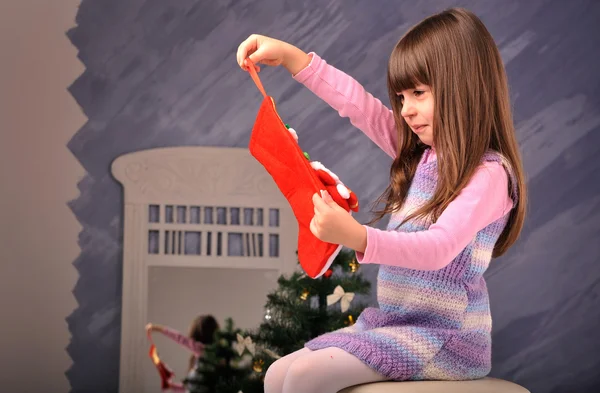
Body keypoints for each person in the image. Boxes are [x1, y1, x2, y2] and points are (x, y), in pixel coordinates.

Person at [236, 7, 527, 393]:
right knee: (276, 375)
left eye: (418, 94)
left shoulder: (489, 175)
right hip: (393, 323)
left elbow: (439, 247)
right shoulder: (421, 154)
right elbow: (358, 106)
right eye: (401, 97)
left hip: (446, 339)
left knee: (305, 378)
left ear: (464, 87)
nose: (406, 110)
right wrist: (293, 58)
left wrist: (357, 237)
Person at [146, 315, 219, 391]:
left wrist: (157, 328)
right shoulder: (216, 357)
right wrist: (172, 386)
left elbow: (180, 338)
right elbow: (191, 386)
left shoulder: (201, 349)